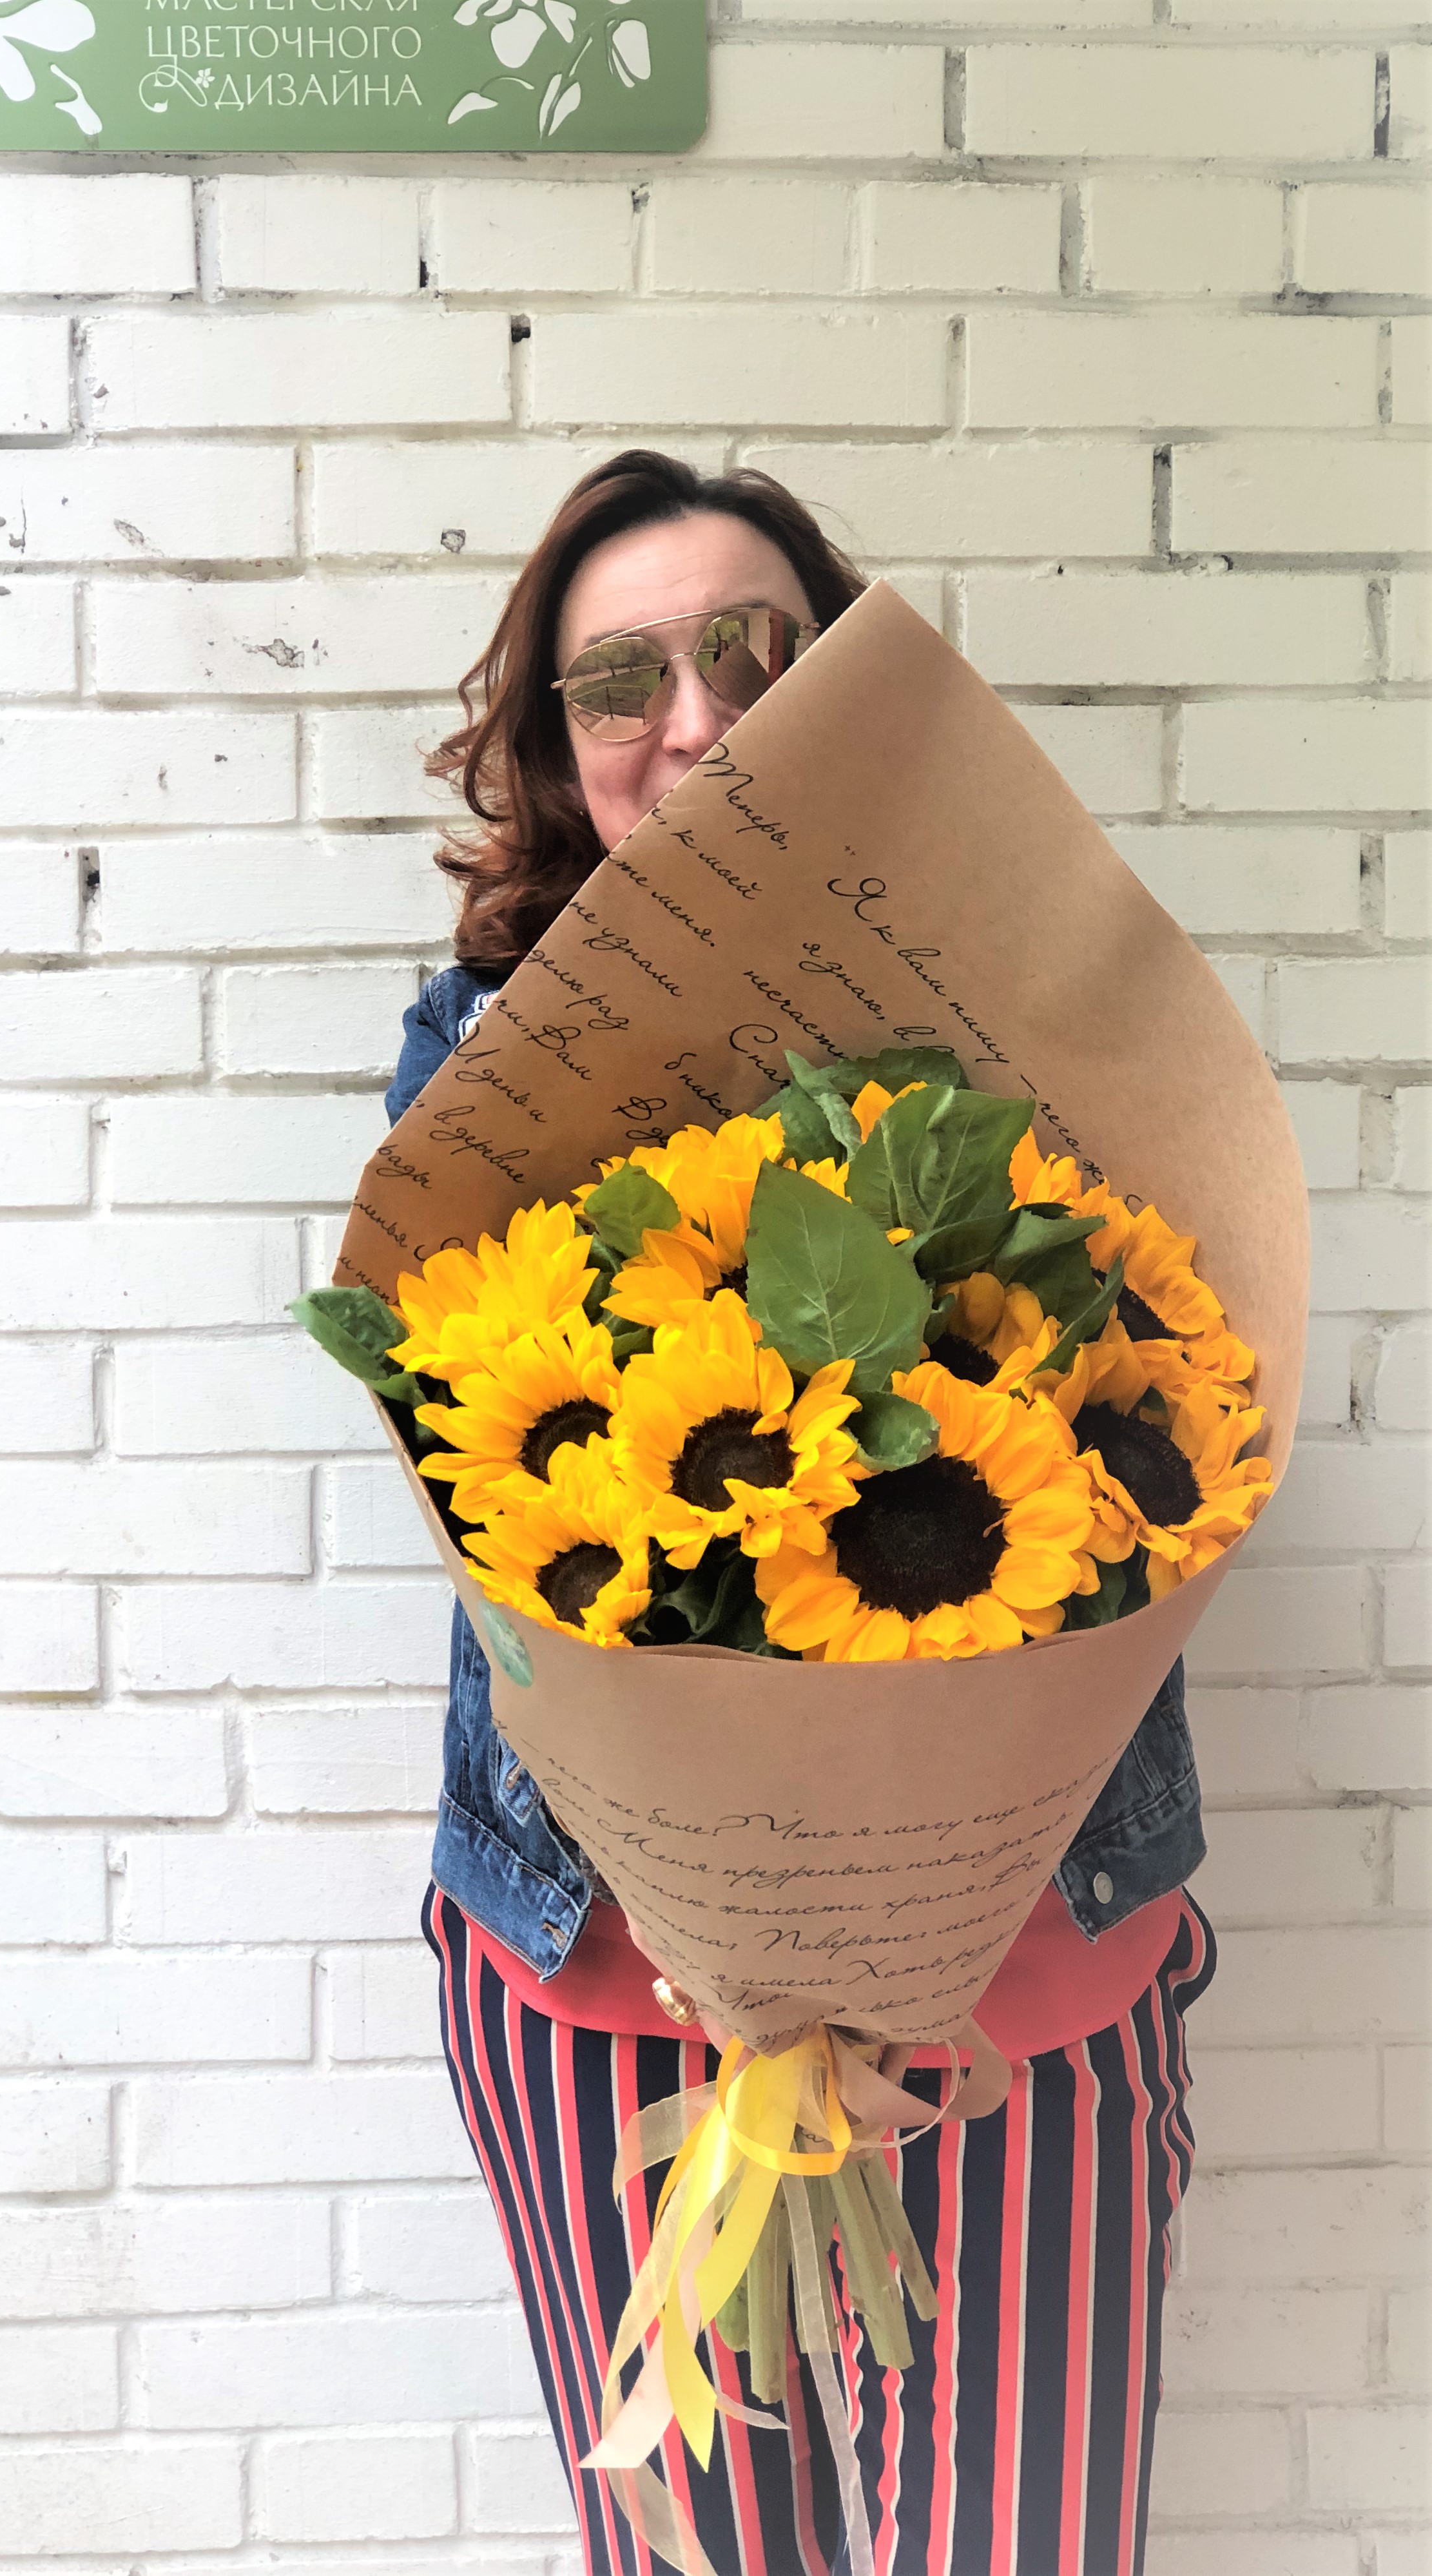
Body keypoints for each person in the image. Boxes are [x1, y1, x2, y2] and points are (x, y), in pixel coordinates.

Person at [383, 450, 1216, 2576]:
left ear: (847, 681)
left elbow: (1148, 1425)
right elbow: (496, 1486)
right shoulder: (478, 1061)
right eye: (618, 681)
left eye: (754, 654)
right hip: (607, 1975)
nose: (695, 720)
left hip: (1017, 1964)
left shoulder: (1058, 1018)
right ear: (556, 747)